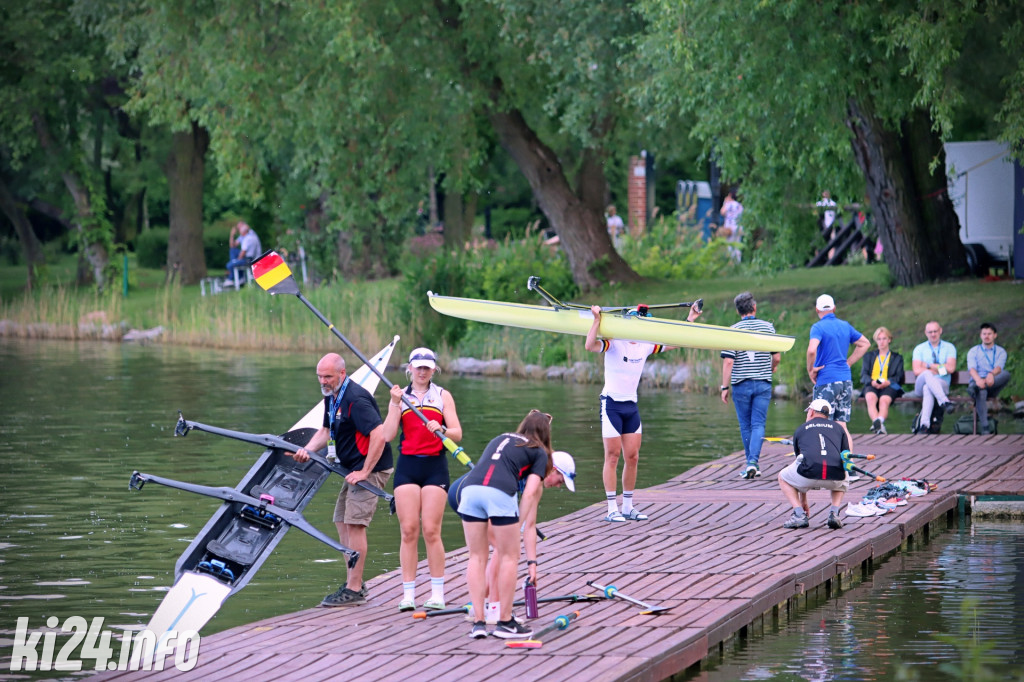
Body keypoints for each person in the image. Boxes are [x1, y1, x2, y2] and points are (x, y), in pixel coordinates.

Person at [457, 409, 574, 639]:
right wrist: (517, 523)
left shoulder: (501, 437)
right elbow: (530, 493)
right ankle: (505, 622)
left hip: (469, 490)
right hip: (498, 493)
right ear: (545, 434)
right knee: (510, 555)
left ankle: (479, 623)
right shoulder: (539, 452)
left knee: (476, 557)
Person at [290, 352, 393, 607]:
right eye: (320, 377)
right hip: (352, 470)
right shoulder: (332, 396)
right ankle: (353, 580)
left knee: (355, 525)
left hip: (371, 469)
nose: (323, 381)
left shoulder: (356, 399)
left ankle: (354, 588)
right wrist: (308, 450)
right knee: (340, 521)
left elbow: (379, 436)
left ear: (342, 374)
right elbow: (325, 431)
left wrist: (366, 473)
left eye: (328, 376)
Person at [586, 303, 702, 522]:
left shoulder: (646, 345)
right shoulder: (614, 343)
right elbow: (589, 345)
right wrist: (596, 320)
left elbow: (675, 343)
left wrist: (690, 319)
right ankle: (612, 508)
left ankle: (628, 507)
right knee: (612, 457)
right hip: (611, 403)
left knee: (633, 457)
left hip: (631, 406)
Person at [381, 347, 463, 612]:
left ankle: (437, 594)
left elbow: (457, 433)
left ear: (434, 370)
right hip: (407, 466)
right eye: (419, 367)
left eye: (427, 367)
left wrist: (442, 429)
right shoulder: (400, 396)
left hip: (435, 467)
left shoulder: (442, 396)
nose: (423, 371)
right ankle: (408, 595)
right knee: (408, 531)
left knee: (430, 529)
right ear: (410, 368)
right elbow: (388, 435)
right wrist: (395, 404)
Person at [720, 292, 781, 479]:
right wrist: (771, 368)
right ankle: (752, 463)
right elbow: (776, 356)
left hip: (741, 384)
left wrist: (724, 387)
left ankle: (751, 463)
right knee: (758, 424)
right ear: (754, 308)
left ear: (738, 311)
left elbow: (728, 362)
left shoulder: (732, 330)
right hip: (763, 382)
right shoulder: (768, 328)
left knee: (745, 425)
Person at [807, 294, 869, 456]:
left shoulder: (818, 327)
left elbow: (812, 350)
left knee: (817, 422)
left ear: (817, 310)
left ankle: (819, 462)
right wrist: (848, 362)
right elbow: (865, 343)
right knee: (841, 426)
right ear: (834, 308)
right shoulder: (845, 326)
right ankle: (849, 466)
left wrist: (811, 369)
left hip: (826, 380)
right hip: (845, 381)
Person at [778, 398, 851, 530]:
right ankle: (834, 513)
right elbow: (846, 455)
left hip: (808, 475)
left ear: (811, 412)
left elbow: (799, 461)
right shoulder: (839, 429)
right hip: (835, 478)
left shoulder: (800, 429)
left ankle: (799, 514)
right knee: (844, 471)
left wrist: (803, 499)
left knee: (782, 477)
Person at [910, 321, 958, 434]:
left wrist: (928, 365)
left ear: (940, 330)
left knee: (928, 387)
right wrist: (940, 368)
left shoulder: (949, 347)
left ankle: (924, 425)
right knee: (927, 375)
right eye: (930, 332)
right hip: (920, 386)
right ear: (925, 333)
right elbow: (917, 370)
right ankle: (945, 402)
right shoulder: (919, 348)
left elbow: (951, 368)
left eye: (935, 331)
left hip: (942, 384)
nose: (933, 334)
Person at [966, 322, 1011, 434]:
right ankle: (985, 428)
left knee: (1006, 374)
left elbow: (999, 368)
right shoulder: (973, 351)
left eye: (989, 334)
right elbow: (972, 369)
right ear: (981, 335)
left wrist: (990, 375)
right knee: (981, 391)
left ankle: (978, 388)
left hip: (993, 383)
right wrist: (978, 380)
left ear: (995, 335)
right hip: (976, 381)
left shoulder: (1000, 351)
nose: (986, 336)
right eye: (984, 334)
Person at [859, 326, 905, 435]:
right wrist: (872, 382)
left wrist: (888, 382)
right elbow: (863, 375)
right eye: (879, 339)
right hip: (872, 384)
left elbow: (899, 376)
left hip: (890, 385)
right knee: (870, 398)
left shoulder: (897, 357)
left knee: (884, 400)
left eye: (884, 338)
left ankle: (877, 423)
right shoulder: (869, 356)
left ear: (889, 340)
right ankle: (879, 425)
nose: (881, 342)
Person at [719, 189, 744, 262]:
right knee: (737, 245)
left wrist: (725, 203)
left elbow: (722, 212)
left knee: (729, 245)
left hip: (729, 228)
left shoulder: (728, 204)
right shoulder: (740, 206)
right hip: (738, 228)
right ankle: (737, 262)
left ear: (730, 195)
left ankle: (730, 263)